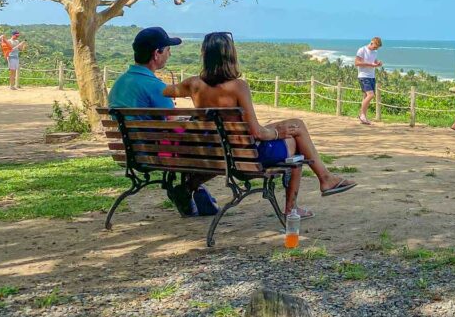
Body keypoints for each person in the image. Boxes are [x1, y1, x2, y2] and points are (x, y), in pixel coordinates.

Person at [163, 32, 356, 219]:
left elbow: (164, 91)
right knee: (296, 136)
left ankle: (325, 179)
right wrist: (276, 133)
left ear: (204, 56)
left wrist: (154, 70)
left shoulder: (193, 84)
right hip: (247, 157)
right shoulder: (238, 86)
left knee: (295, 126)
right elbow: (257, 132)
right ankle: (304, 197)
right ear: (230, 56)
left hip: (219, 153)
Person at [107, 26, 217, 217]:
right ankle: (190, 187)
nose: (169, 54)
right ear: (156, 53)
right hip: (157, 153)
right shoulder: (156, 86)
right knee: (214, 143)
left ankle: (195, 192)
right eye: (167, 50)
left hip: (131, 151)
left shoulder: (120, 83)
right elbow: (175, 126)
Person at [355, 37, 383, 125]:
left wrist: (377, 63)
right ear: (371, 43)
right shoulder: (362, 50)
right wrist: (370, 65)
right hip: (363, 76)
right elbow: (356, 63)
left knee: (366, 97)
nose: (376, 49)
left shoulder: (375, 52)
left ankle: (363, 116)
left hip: (372, 76)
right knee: (371, 95)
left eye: (377, 48)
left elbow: (373, 60)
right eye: (375, 47)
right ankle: (362, 115)